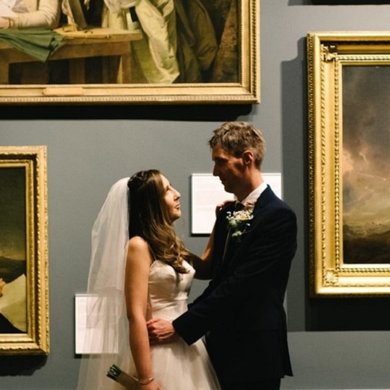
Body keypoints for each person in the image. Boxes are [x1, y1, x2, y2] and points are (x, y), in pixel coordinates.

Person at [147, 121, 298, 390]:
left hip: (254, 351)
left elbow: (241, 284)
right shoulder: (229, 214)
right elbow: (212, 270)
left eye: (220, 161)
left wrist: (181, 325)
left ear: (246, 158)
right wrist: (163, 244)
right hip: (220, 345)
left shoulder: (278, 216)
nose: (215, 171)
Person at [77, 170, 221, 390]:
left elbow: (206, 268)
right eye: (167, 190)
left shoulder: (170, 244)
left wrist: (219, 225)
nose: (177, 194)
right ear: (152, 203)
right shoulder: (138, 246)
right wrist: (146, 379)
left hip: (186, 346)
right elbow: (134, 314)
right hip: (158, 351)